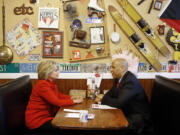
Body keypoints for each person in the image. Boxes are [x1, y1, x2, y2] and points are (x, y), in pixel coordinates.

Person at [25, 60, 83, 135]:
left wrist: (72, 97)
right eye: (55, 70)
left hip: (46, 117)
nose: (58, 72)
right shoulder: (42, 85)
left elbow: (59, 96)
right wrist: (75, 101)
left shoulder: (50, 83)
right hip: (37, 121)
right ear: (47, 72)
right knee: (67, 127)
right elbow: (57, 102)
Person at [101, 58, 154, 135]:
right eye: (111, 67)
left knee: (110, 126)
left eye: (113, 67)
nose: (111, 70)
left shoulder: (130, 81)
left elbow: (119, 103)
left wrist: (103, 98)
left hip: (138, 119)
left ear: (122, 68)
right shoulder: (118, 78)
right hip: (127, 112)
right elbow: (111, 92)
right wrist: (104, 97)